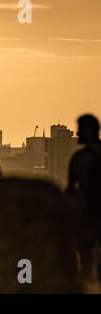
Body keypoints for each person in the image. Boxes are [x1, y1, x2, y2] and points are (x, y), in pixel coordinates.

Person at [67, 114, 101, 283]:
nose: (77, 133)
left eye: (80, 129)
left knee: (86, 255)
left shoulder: (80, 158)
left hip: (91, 214)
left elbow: (71, 190)